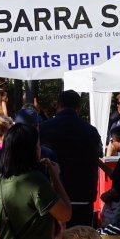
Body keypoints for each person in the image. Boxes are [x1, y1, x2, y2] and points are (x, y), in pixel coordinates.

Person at [40, 90, 102, 227]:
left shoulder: (43, 129)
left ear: (58, 105)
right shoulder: (91, 131)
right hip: (83, 195)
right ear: (78, 107)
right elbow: (98, 155)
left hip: (53, 197)